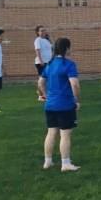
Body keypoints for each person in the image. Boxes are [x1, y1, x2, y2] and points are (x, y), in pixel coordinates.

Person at [38, 37, 81, 172]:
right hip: (65, 105)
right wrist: (75, 99)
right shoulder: (69, 64)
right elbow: (74, 83)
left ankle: (48, 162)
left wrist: (45, 95)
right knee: (65, 135)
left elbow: (40, 82)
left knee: (51, 133)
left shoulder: (49, 64)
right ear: (67, 48)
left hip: (50, 105)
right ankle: (65, 163)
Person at [34, 25, 53, 101]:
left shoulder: (46, 40)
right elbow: (37, 50)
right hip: (41, 62)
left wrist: (49, 38)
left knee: (46, 79)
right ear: (38, 32)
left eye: (44, 30)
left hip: (48, 62)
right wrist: (41, 60)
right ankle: (41, 96)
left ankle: (40, 92)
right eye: (41, 31)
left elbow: (52, 47)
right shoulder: (37, 40)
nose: (43, 32)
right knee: (42, 79)